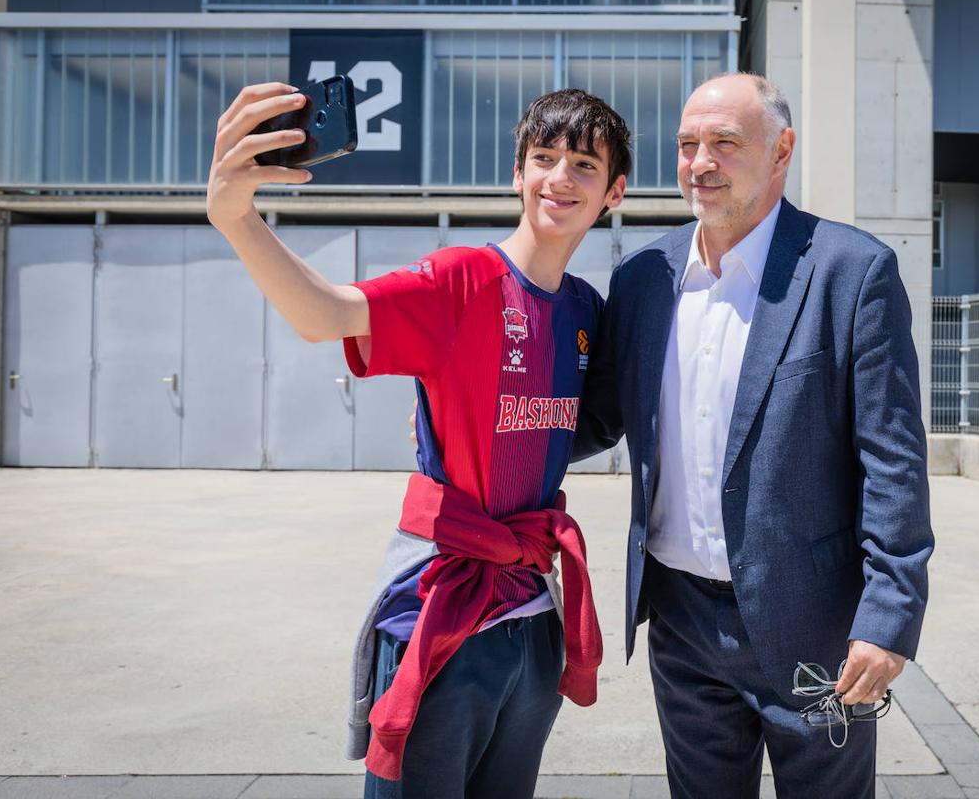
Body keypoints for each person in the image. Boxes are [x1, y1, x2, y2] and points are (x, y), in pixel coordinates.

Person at [206, 83, 632, 798]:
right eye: (544, 157)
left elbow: (572, 425)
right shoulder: (460, 280)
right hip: (440, 619)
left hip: (532, 623)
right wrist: (236, 218)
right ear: (517, 175)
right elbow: (324, 314)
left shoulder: (587, 311)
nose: (561, 176)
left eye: (585, 164)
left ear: (614, 190)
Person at [573, 73, 934, 798]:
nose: (699, 162)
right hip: (680, 625)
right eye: (686, 145)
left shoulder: (850, 273)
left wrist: (889, 616)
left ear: (781, 151)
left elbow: (892, 461)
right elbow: (596, 419)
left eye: (724, 144)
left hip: (816, 629)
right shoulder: (645, 276)